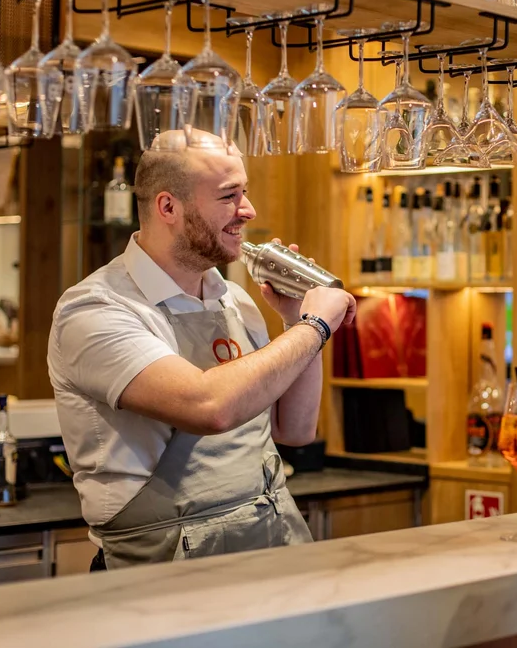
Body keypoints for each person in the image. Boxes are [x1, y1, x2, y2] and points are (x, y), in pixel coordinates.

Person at [48, 131, 356, 570]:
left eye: (244, 192)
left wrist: (292, 319)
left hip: (270, 541)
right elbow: (208, 406)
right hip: (167, 566)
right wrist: (314, 326)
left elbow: (295, 429)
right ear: (168, 207)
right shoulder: (95, 309)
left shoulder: (235, 299)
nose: (247, 211)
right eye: (229, 196)